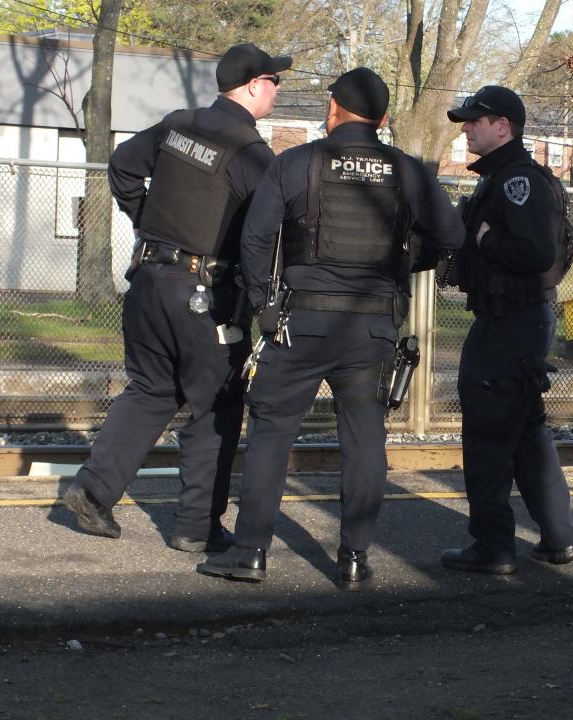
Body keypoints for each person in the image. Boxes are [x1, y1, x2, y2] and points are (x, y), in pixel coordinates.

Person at [199, 67, 464, 588]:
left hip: (300, 324)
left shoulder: (294, 163)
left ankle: (250, 552)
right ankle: (354, 559)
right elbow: (450, 234)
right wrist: (406, 255)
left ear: (332, 110)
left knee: (273, 434)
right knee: (365, 441)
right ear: (384, 119)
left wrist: (262, 308)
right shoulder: (408, 171)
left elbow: (255, 239)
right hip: (371, 330)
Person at [63, 43, 292, 551]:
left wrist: (145, 222)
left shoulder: (177, 125)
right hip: (203, 296)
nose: (278, 89)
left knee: (149, 390)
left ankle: (92, 490)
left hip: (147, 281)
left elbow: (122, 164)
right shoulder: (252, 155)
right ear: (254, 85)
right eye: (274, 81)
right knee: (216, 405)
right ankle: (195, 527)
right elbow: (269, 233)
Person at [439, 86, 573, 575]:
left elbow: (537, 253)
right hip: (516, 320)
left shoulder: (517, 180)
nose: (466, 127)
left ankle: (494, 547)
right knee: (525, 432)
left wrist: (487, 238)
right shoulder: (503, 177)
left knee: (487, 434)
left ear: (504, 126)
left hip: (510, 323)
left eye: (475, 121)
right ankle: (558, 537)